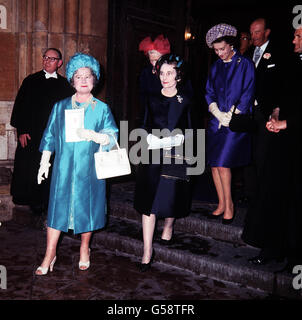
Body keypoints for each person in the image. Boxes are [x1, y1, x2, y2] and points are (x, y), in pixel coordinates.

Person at [35, 53, 118, 275]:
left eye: (88, 76)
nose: (83, 80)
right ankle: (49, 253)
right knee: (55, 209)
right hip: (63, 168)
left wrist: (96, 136)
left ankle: (84, 248)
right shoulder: (60, 106)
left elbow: (112, 136)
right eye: (78, 76)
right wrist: (44, 162)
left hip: (88, 169)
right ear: (72, 79)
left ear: (94, 80)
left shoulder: (101, 108)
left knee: (87, 208)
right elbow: (50, 134)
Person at [242, 26, 302, 268]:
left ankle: (295, 256)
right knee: (274, 193)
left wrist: (286, 123)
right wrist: (275, 115)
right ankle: (272, 248)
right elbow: (282, 97)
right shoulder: (293, 62)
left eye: (299, 36)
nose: (293, 39)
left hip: (298, 142)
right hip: (283, 141)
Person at [134, 54, 193, 272]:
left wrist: (179, 139)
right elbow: (143, 123)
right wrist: (148, 138)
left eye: (170, 73)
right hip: (151, 153)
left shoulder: (185, 101)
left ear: (179, 76)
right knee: (147, 202)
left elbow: (190, 130)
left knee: (171, 198)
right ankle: (147, 251)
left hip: (176, 155)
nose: (165, 77)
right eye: (161, 73)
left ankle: (169, 224)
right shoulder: (150, 97)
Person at [10, 48, 74, 221]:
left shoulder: (65, 85)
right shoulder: (30, 81)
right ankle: (30, 201)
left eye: (52, 59)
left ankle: (47, 202)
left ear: (59, 63)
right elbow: (20, 107)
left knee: (50, 168)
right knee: (30, 167)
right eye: (45, 58)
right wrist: (21, 130)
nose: (47, 61)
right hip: (31, 134)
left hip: (54, 135)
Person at [241, 18, 284, 257]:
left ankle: (260, 198)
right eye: (251, 32)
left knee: (262, 155)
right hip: (249, 113)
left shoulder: (278, 54)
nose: (254, 36)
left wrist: (276, 109)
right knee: (248, 153)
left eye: (258, 32)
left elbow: (281, 85)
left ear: (267, 32)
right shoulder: (248, 55)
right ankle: (250, 193)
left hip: (266, 113)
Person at [204, 23, 255, 224]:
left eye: (222, 49)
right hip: (216, 122)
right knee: (215, 165)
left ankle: (230, 205)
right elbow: (209, 91)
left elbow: (248, 92)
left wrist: (232, 115)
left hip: (234, 123)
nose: (219, 53)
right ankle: (221, 203)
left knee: (224, 165)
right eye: (216, 50)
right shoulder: (215, 66)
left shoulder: (245, 64)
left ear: (231, 45)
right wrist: (216, 110)